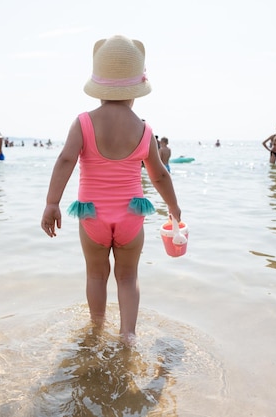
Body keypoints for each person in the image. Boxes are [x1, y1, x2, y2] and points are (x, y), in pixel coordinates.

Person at [40, 35, 182, 345]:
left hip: (93, 216)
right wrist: (173, 208)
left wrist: (52, 203)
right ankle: (128, 334)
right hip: (131, 215)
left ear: (98, 86)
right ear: (136, 92)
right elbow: (158, 175)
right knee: (128, 277)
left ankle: (96, 329)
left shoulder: (84, 123)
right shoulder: (144, 129)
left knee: (95, 275)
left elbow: (65, 159)